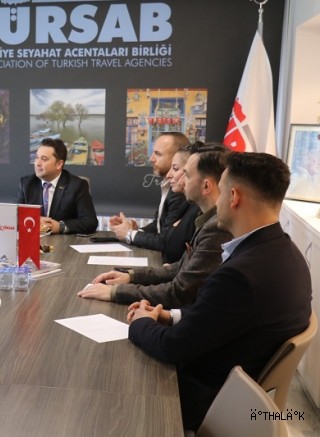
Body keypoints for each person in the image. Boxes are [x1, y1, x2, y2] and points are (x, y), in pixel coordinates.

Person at [126, 152, 312, 431]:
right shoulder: (288, 254)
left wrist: (141, 322)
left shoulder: (240, 276)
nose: (217, 199)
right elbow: (220, 318)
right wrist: (169, 316)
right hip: (241, 396)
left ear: (234, 197)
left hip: (206, 400)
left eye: (222, 191)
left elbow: (173, 347)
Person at [78, 144, 231, 308]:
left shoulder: (216, 228)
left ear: (206, 186)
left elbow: (179, 291)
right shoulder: (205, 218)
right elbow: (181, 267)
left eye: (186, 174)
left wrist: (116, 291)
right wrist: (131, 276)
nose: (181, 180)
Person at [109, 132, 190, 262]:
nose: (151, 158)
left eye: (158, 154)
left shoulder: (180, 193)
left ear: (176, 158)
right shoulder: (168, 186)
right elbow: (159, 226)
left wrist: (129, 234)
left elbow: (166, 240)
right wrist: (136, 230)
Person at [15, 138, 98, 234]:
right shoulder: (26, 184)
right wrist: (34, 220)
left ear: (59, 164)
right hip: (33, 239)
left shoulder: (77, 186)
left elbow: (90, 222)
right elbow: (14, 217)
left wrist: (60, 226)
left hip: (64, 241)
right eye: (37, 157)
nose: (38, 163)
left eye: (44, 159)